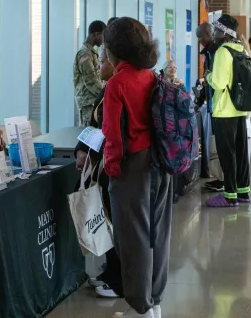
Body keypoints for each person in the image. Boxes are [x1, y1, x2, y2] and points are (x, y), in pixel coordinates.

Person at [102, 18, 168, 318]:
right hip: (160, 161)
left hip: (134, 164)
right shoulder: (151, 76)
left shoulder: (117, 83)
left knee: (133, 236)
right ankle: (154, 300)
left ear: (113, 52)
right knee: (158, 232)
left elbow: (112, 134)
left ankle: (140, 307)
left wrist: (112, 169)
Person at [74, 47, 122, 300]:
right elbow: (95, 126)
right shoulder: (107, 88)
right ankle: (111, 272)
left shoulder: (119, 88)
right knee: (109, 221)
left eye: (102, 61)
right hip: (103, 164)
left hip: (119, 168)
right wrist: (81, 149)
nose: (98, 66)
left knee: (118, 225)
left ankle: (119, 280)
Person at [205, 14, 251, 208]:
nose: (214, 34)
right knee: (241, 153)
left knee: (227, 154)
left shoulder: (223, 52)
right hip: (239, 110)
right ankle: (243, 192)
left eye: (216, 30)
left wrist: (208, 76)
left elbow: (219, 82)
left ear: (224, 33)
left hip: (224, 111)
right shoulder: (240, 49)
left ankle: (229, 195)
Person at [194, 22, 221, 188]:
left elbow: (211, 81)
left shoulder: (214, 53)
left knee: (218, 143)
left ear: (209, 34)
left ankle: (221, 179)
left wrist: (200, 101)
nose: (200, 40)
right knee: (214, 141)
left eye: (201, 36)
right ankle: (218, 176)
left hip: (219, 106)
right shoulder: (210, 53)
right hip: (214, 105)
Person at [74, 20, 106, 126]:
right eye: (103, 35)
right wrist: (104, 95)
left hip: (93, 100)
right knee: (88, 135)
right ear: (96, 34)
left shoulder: (91, 52)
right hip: (88, 102)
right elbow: (90, 80)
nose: (103, 39)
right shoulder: (85, 54)